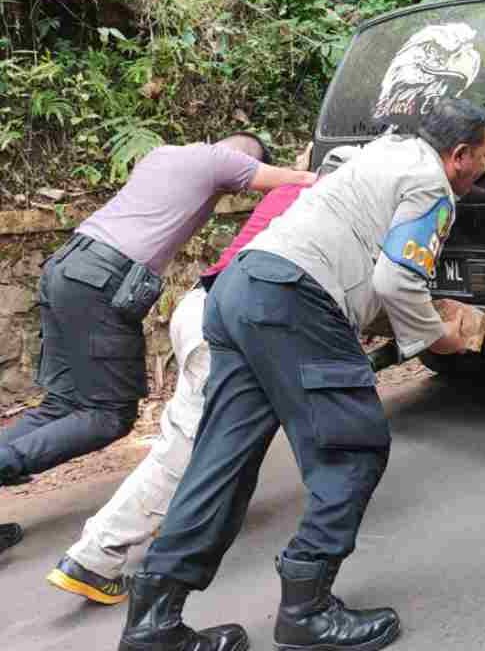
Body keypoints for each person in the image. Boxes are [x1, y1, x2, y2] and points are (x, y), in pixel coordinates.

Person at [116, 99, 485, 651]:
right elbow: (396, 282)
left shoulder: (380, 153)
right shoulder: (432, 183)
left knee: (222, 458)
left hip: (240, 288)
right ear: (459, 154)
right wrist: (442, 340)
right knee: (353, 446)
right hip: (291, 297)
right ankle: (306, 614)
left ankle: (152, 624)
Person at [0, 134, 315, 510]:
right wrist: (304, 163)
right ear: (248, 160)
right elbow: (304, 183)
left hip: (66, 266)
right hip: (101, 279)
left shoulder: (162, 154)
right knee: (108, 416)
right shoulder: (220, 160)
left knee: (62, 405)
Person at [46, 182, 313, 605]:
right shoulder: (342, 203)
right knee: (182, 449)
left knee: (207, 437)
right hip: (232, 321)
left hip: (203, 305)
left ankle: (187, 521)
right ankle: (95, 556)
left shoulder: (291, 190)